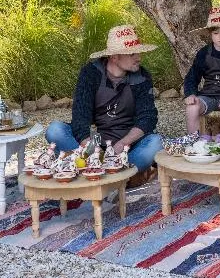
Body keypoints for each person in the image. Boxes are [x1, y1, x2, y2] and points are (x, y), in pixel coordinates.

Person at [45, 25, 164, 182]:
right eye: (132, 53)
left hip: (129, 144)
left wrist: (122, 144)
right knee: (55, 130)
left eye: (138, 52)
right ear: (114, 57)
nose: (138, 57)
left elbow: (148, 118)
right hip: (97, 141)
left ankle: (113, 172)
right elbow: (80, 119)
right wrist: (95, 151)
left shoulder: (141, 76)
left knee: (156, 142)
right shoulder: (91, 73)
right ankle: (117, 172)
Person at [182, 5, 220, 135]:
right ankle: (195, 142)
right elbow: (192, 77)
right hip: (208, 96)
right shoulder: (204, 53)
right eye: (216, 33)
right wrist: (190, 94)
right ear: (210, 34)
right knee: (192, 108)